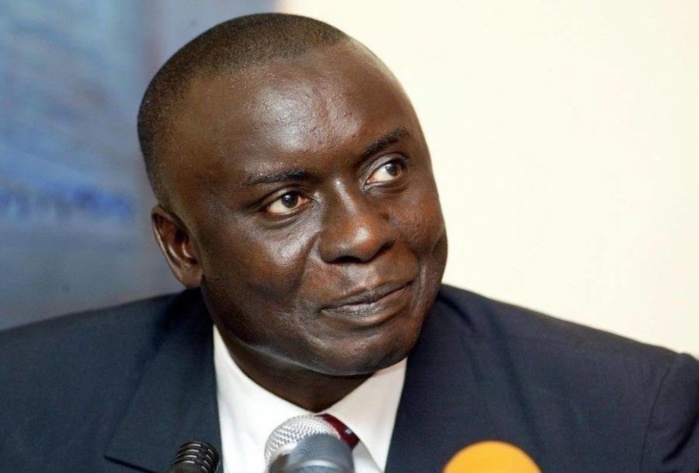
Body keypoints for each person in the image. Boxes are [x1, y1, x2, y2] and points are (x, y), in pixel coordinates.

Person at [1, 13, 697, 473]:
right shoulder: (23, 408)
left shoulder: (630, 420)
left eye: (387, 170)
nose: (364, 233)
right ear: (183, 246)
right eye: (286, 200)